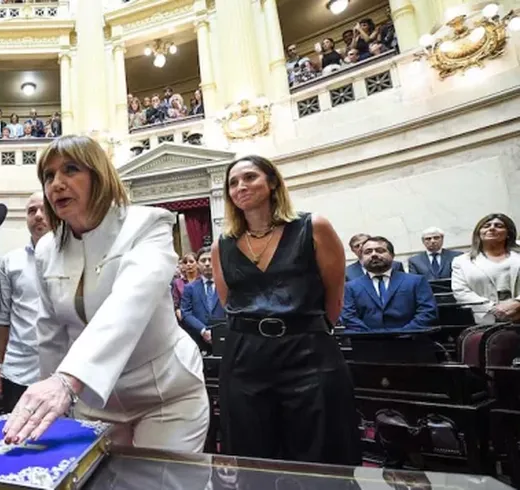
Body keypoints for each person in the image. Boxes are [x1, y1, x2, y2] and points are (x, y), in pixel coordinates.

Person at [3, 136, 208, 451]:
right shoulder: (46, 248)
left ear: (99, 176)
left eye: (70, 170)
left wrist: (65, 382)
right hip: (94, 401)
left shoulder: (148, 224)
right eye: (48, 175)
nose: (56, 184)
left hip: (166, 395)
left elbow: (129, 303)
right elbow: (51, 333)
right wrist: (50, 399)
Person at [210, 155, 359, 464]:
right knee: (252, 454)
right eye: (233, 183)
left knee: (322, 450)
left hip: (308, 352)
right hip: (244, 359)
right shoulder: (222, 244)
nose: (241, 187)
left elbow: (334, 298)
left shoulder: (313, 226)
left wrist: (299, 329)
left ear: (273, 182)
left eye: (250, 177)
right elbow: (229, 303)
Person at [0, 193, 49, 413]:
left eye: (44, 209)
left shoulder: (72, 255)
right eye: (32, 211)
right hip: (17, 368)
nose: (38, 216)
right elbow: (2, 316)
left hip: (58, 369)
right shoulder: (10, 261)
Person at [341, 236, 437, 331]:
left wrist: (403, 333)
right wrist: (374, 336)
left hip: (410, 341)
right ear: (361, 258)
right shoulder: (350, 287)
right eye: (368, 252)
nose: (374, 255)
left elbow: (428, 312)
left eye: (380, 250)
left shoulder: (416, 281)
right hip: (368, 342)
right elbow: (348, 317)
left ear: (392, 255)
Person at [451, 213, 520, 323]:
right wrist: (493, 308)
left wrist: (517, 303)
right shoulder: (462, 261)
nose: (492, 228)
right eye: (486, 226)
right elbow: (461, 292)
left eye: (499, 226)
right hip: (486, 320)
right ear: (479, 233)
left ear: (508, 233)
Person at [180, 246, 226, 353]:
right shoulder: (190, 288)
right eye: (203, 260)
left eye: (211, 260)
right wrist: (203, 330)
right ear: (197, 264)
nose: (207, 264)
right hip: (197, 339)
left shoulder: (226, 287)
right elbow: (186, 313)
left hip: (224, 338)